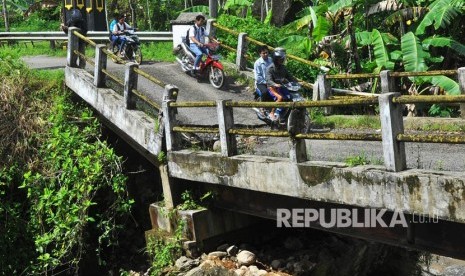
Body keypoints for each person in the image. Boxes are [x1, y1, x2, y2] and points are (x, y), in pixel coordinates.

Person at [266, 48, 298, 121]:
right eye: (280, 59)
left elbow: (290, 77)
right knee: (280, 98)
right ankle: (272, 112)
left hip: (282, 87)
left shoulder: (283, 68)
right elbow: (268, 80)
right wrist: (275, 84)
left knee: (289, 97)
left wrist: (297, 82)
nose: (282, 60)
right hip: (272, 88)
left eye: (282, 59)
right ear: (275, 59)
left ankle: (284, 113)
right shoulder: (270, 68)